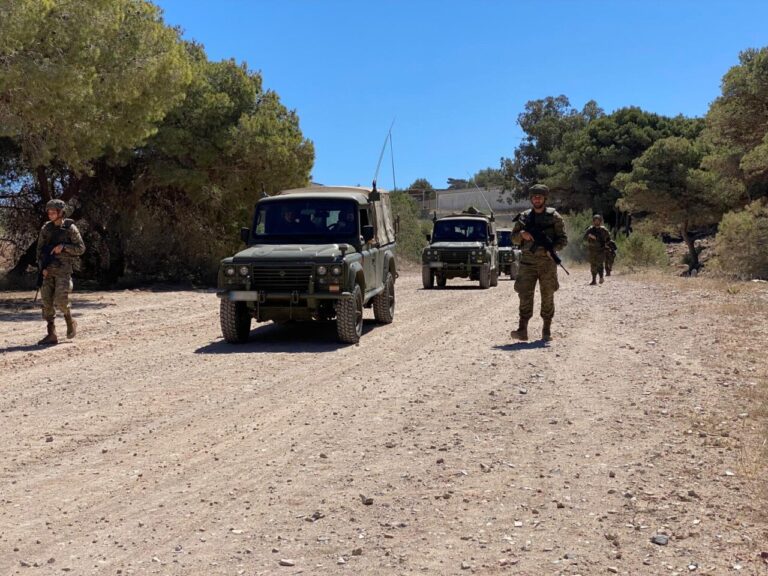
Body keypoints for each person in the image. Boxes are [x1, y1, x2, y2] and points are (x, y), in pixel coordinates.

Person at [509, 184, 567, 342]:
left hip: (547, 263)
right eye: (534, 196)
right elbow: (513, 237)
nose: (537, 199)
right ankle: (522, 329)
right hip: (527, 263)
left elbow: (563, 239)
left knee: (547, 295)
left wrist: (553, 249)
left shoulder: (554, 217)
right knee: (524, 295)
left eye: (540, 197)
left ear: (545, 198)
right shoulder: (524, 217)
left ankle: (546, 329)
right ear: (531, 199)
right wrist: (522, 234)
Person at [36, 199, 86, 345]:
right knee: (46, 302)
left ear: (61, 213)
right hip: (47, 270)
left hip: (63, 270)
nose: (50, 214)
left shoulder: (70, 229)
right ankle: (51, 334)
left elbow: (81, 248)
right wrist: (41, 268)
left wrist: (64, 247)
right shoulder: (46, 228)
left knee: (61, 300)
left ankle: (70, 322)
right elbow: (39, 250)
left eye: (53, 212)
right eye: (49, 212)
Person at [583, 214, 612, 285]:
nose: (596, 222)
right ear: (593, 221)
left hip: (601, 250)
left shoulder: (603, 230)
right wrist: (590, 236)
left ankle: (601, 277)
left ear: (600, 221)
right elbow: (584, 238)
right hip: (592, 250)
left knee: (600, 264)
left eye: (598, 221)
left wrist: (605, 244)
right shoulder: (590, 229)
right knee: (593, 265)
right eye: (595, 221)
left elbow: (608, 239)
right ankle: (593, 280)